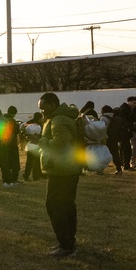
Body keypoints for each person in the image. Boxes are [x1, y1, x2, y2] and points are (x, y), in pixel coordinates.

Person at [38, 92, 82, 258]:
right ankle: (69, 241)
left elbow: (61, 143)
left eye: (44, 108)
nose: (42, 111)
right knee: (67, 205)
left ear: (53, 104)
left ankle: (66, 245)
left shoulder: (59, 119)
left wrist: (41, 141)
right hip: (69, 168)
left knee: (54, 206)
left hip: (62, 169)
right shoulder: (63, 117)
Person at [21, 111, 44, 182]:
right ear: (39, 118)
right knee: (37, 162)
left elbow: (22, 129)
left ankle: (26, 175)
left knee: (29, 162)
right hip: (36, 145)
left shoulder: (28, 123)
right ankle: (36, 176)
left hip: (29, 145)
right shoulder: (39, 125)